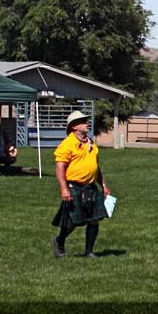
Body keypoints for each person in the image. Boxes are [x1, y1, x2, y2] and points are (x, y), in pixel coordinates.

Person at [50, 110, 111, 259]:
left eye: (86, 120)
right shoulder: (67, 144)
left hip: (90, 186)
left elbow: (95, 166)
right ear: (74, 127)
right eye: (83, 121)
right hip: (74, 186)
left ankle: (89, 251)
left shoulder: (90, 143)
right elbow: (60, 167)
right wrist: (64, 188)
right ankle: (59, 241)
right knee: (72, 222)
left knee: (94, 219)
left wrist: (103, 185)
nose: (86, 123)